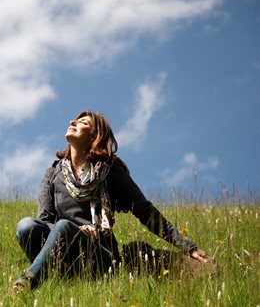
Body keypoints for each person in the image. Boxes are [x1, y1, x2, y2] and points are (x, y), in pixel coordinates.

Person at [13, 111, 209, 292]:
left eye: (83, 122)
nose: (73, 122)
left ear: (94, 136)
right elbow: (44, 221)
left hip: (101, 256)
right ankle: (54, 278)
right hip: (62, 249)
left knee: (64, 226)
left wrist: (188, 246)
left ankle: (27, 281)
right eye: (75, 120)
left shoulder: (110, 171)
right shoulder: (53, 173)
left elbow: (145, 210)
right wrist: (71, 231)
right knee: (26, 226)